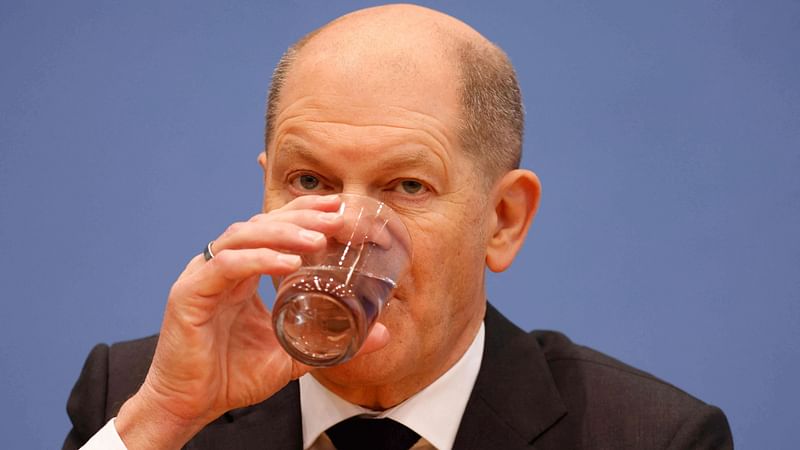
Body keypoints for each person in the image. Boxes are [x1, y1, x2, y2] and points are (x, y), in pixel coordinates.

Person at [63, 4, 733, 449]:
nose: (347, 232)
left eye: (406, 186)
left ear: (503, 220)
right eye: (308, 182)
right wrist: (162, 420)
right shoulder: (133, 398)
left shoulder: (650, 437)